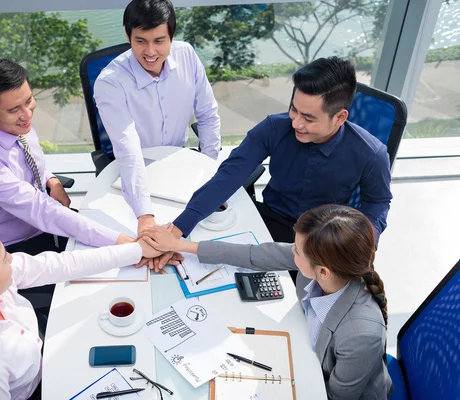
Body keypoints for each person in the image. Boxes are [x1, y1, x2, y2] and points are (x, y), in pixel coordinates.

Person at [158, 57, 392, 270]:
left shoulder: (371, 153)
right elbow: (229, 175)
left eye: (308, 118)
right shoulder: (274, 127)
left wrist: (364, 243)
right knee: (202, 269)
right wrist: (177, 230)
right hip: (269, 219)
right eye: (294, 109)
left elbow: (377, 201)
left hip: (322, 238)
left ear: (340, 117)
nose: (296, 123)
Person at [140, 205, 392, 399]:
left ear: (323, 271)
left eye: (296, 251)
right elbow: (255, 254)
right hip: (297, 356)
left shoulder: (361, 333)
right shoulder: (327, 271)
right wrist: (179, 245)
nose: (290, 251)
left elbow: (331, 396)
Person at [0, 221, 158, 400]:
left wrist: (137, 250)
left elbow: (59, 264)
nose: (12, 260)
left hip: (43, 359)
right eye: (5, 259)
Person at [0, 58, 133, 256]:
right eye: (13, 110)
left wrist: (49, 179)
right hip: (14, 248)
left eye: (28, 101)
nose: (27, 114)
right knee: (112, 260)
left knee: (121, 225)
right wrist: (120, 242)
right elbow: (41, 210)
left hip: (45, 223)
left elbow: (27, 164)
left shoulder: (14, 126)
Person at [94, 0, 221, 236]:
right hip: (132, 174)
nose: (150, 52)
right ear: (127, 35)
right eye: (140, 41)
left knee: (204, 235)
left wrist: (210, 176)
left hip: (180, 168)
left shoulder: (187, 56)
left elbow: (208, 115)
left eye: (159, 41)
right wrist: (144, 215)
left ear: (172, 36)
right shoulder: (109, 82)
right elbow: (127, 147)